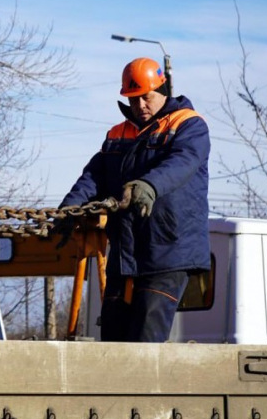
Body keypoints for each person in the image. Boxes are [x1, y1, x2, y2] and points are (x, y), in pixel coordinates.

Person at [56, 57, 210, 342]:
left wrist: (149, 185)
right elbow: (95, 175)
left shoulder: (189, 126)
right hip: (126, 255)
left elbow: (182, 162)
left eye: (146, 97)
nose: (140, 105)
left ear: (162, 89)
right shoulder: (117, 134)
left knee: (145, 339)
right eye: (133, 98)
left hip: (167, 253)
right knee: (113, 342)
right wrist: (70, 208)